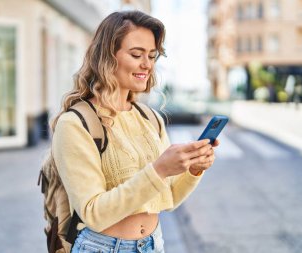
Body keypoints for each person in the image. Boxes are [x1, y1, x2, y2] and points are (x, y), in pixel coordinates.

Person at [51, 10, 219, 253]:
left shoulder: (150, 118)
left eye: (152, 56)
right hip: (102, 247)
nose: (147, 64)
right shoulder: (76, 123)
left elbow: (168, 198)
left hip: (153, 243)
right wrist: (159, 168)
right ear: (107, 57)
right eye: (136, 54)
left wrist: (193, 169)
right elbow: (93, 213)